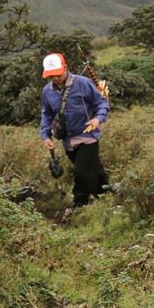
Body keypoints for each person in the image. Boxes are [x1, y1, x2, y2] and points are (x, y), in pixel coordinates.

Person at [38, 52, 111, 209]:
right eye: (51, 76)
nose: (55, 78)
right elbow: (47, 114)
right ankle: (107, 196)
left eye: (58, 74)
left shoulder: (83, 83)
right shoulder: (47, 91)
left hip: (88, 135)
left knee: (81, 171)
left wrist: (97, 119)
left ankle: (80, 202)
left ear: (65, 68)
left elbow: (102, 103)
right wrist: (46, 136)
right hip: (67, 140)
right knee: (94, 170)